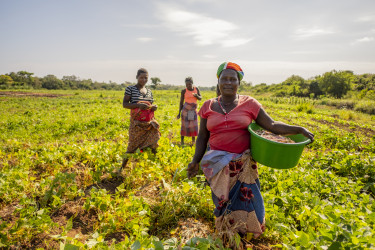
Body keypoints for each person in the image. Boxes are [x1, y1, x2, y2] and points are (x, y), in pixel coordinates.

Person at [187, 62, 314, 243]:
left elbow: (272, 126)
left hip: (243, 165)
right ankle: (226, 234)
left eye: (233, 79)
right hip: (217, 164)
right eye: (225, 78)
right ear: (218, 82)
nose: (229, 82)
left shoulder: (250, 103)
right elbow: (201, 138)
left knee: (248, 202)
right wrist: (195, 161)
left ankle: (243, 236)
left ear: (239, 83)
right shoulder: (208, 106)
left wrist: (298, 129)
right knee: (221, 201)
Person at [122, 68, 160, 168]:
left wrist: (154, 107)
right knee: (132, 146)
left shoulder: (149, 91)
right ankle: (122, 168)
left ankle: (156, 166)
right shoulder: (130, 89)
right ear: (137, 77)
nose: (143, 80)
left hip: (148, 123)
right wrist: (138, 105)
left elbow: (150, 105)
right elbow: (125, 104)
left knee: (153, 143)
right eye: (141, 77)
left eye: (145, 78)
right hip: (137, 123)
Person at [177, 77, 202, 145]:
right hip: (186, 110)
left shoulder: (196, 89)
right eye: (187, 84)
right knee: (184, 125)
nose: (188, 86)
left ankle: (193, 141)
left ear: (192, 83)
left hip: (192, 111)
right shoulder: (184, 91)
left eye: (189, 84)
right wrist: (179, 113)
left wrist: (196, 95)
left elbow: (200, 98)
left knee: (192, 125)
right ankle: (182, 141)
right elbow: (181, 102)